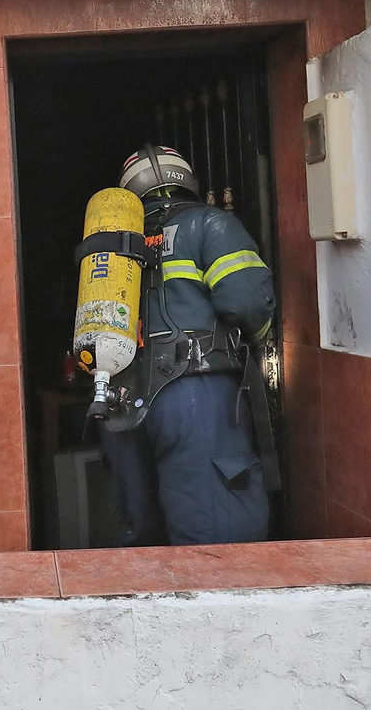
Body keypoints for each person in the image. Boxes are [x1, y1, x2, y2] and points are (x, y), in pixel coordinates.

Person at [101, 144, 275, 546]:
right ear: (187, 182)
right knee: (217, 528)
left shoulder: (111, 244)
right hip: (195, 391)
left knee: (144, 527)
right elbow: (248, 302)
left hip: (118, 395)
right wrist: (256, 342)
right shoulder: (210, 224)